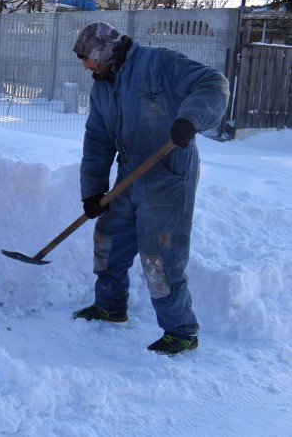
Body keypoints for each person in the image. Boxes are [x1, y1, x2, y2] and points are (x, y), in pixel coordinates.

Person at [71, 22, 229, 355]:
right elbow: (97, 139)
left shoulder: (158, 62)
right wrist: (93, 191)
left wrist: (190, 118)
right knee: (108, 239)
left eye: (87, 58)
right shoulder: (102, 87)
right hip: (129, 173)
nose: (85, 66)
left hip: (168, 175)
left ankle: (181, 331)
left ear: (105, 52)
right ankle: (110, 306)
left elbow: (213, 83)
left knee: (160, 255)